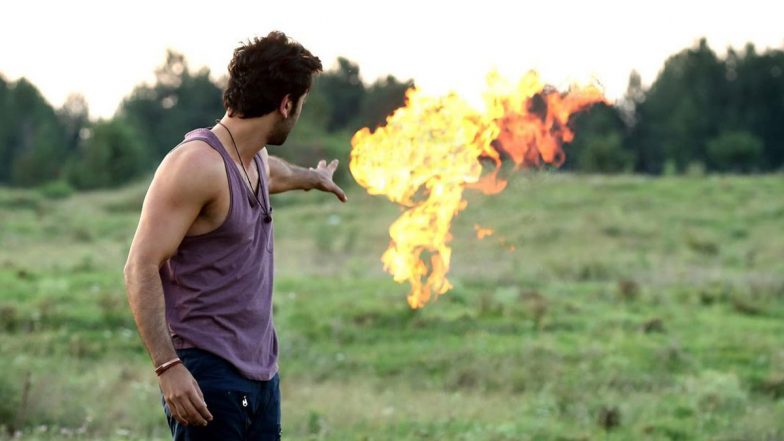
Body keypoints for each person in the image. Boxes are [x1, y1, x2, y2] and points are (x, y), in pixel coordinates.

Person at [123, 31, 346, 441]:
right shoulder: (195, 165)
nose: (298, 114)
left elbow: (275, 171)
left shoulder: (253, 156)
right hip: (208, 375)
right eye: (301, 104)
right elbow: (140, 266)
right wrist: (168, 368)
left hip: (261, 375)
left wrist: (312, 178)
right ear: (285, 104)